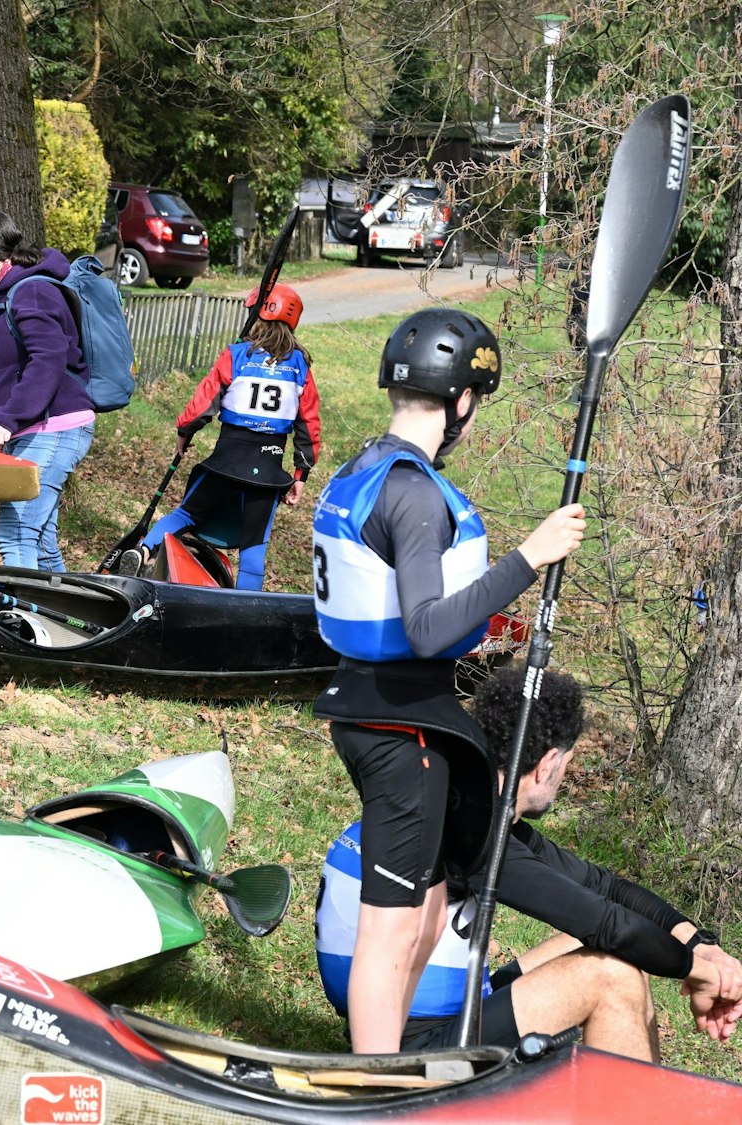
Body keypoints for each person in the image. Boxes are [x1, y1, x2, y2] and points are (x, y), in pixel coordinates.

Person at [310, 306, 588, 1053]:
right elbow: (430, 626)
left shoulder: (365, 466)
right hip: (401, 723)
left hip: (383, 707)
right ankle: (374, 1082)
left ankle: (392, 1058)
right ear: (462, 400)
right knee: (394, 929)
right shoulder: (417, 493)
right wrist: (529, 557)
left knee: (425, 914)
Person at [315, 667, 742, 1057]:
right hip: (424, 1051)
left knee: (606, 949)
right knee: (614, 973)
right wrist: (701, 975)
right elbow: (613, 926)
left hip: (441, 1010)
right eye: (567, 766)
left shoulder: (464, 808)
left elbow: (607, 889)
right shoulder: (475, 839)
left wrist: (700, 945)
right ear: (548, 764)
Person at [122, 283, 322, 590]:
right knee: (254, 547)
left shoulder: (237, 355)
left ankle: (144, 549)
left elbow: (204, 402)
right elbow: (308, 424)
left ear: (257, 317)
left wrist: (184, 432)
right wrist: (300, 475)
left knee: (186, 513)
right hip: (268, 470)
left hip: (227, 460)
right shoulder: (300, 367)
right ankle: (245, 613)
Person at [0, 209, 95, 571]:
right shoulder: (6, 292)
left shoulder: (30, 291)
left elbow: (48, 359)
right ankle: (74, 619)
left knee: (16, 534)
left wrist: (9, 417)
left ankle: (26, 622)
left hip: (56, 427)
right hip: (41, 428)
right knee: (42, 541)